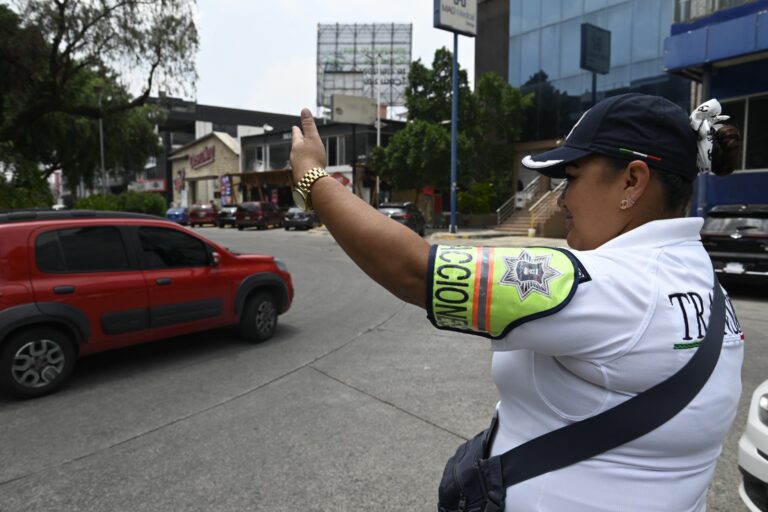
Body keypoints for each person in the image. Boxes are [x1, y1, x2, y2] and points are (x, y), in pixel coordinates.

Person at [289, 93, 744, 511]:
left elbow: (414, 271)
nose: (561, 197)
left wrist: (315, 180)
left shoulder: (614, 284)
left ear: (632, 180)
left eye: (571, 176)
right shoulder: (706, 284)